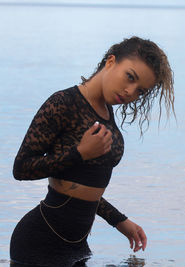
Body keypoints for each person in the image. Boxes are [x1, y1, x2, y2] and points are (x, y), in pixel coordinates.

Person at [9, 36, 174, 266]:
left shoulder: (107, 114)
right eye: (130, 77)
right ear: (110, 62)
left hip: (77, 247)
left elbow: (81, 186)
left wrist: (119, 221)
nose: (130, 92)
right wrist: (79, 153)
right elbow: (21, 168)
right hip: (39, 242)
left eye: (140, 91)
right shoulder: (63, 103)